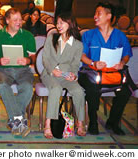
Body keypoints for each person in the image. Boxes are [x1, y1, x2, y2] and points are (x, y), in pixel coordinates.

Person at [80, 2, 132, 136]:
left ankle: (113, 122)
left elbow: (127, 53)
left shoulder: (120, 35)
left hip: (113, 73)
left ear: (109, 16)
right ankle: (92, 122)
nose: (95, 16)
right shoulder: (88, 35)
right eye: (95, 13)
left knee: (125, 92)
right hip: (92, 72)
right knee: (92, 89)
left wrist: (122, 62)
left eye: (99, 13)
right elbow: (82, 55)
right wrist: (93, 62)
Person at [0, 8, 36, 137]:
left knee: (27, 88)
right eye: (15, 19)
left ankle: (15, 120)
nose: (19, 22)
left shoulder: (28, 36)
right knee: (3, 85)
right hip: (3, 70)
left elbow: (33, 57)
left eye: (20, 19)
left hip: (23, 70)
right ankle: (19, 120)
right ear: (7, 20)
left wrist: (27, 60)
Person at [42, 12, 86, 139]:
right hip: (50, 74)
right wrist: (52, 70)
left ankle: (80, 123)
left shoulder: (77, 45)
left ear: (70, 23)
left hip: (66, 75)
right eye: (57, 23)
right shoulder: (52, 38)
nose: (58, 25)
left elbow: (75, 64)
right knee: (56, 89)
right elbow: (45, 58)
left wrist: (73, 75)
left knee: (78, 91)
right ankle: (48, 123)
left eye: (61, 22)